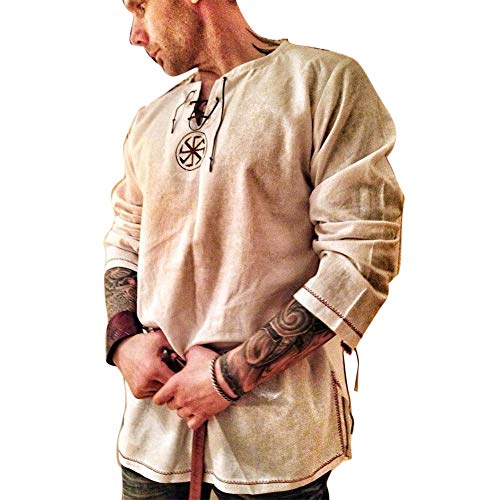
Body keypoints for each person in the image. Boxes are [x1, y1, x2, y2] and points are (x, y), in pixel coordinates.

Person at [103, 0, 404, 498]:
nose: (135, 34)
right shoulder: (151, 119)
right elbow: (125, 235)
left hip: (275, 446)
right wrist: (123, 341)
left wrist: (227, 378)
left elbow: (361, 256)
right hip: (156, 434)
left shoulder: (322, 84)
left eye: (141, 7)